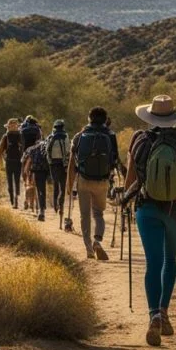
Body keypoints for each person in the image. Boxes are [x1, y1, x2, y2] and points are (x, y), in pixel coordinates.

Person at [123, 95, 176, 347]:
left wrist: (126, 199)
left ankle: (153, 316)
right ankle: (165, 311)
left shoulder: (139, 139)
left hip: (146, 207)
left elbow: (131, 174)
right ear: (173, 117)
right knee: (170, 260)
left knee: (152, 262)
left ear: (150, 116)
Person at [67, 107, 118, 260]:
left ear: (89, 118)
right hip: (102, 181)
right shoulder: (110, 135)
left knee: (84, 215)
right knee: (98, 213)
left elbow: (71, 163)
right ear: (105, 119)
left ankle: (89, 249)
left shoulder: (79, 135)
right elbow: (114, 160)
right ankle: (97, 241)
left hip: (83, 180)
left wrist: (69, 185)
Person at [0, 118, 25, 208]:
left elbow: (1, 149)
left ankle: (13, 201)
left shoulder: (5, 136)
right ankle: (16, 199)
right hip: (18, 161)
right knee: (17, 181)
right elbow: (23, 149)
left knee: (10, 181)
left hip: (9, 161)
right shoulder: (20, 136)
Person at [22, 139, 51, 221]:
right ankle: (42, 209)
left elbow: (28, 163)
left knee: (39, 191)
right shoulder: (46, 148)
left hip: (36, 172)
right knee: (43, 190)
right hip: (45, 172)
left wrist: (27, 173)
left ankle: (40, 209)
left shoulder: (32, 149)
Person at [47, 119, 69, 214]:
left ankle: (55, 204)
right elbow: (68, 151)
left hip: (53, 164)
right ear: (63, 127)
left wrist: (50, 162)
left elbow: (47, 151)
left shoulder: (50, 137)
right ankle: (61, 204)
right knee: (63, 185)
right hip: (63, 164)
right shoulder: (66, 136)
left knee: (55, 184)